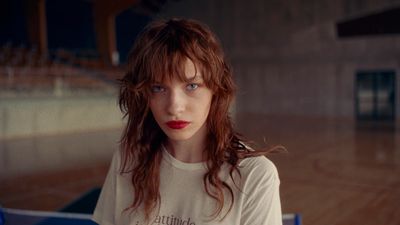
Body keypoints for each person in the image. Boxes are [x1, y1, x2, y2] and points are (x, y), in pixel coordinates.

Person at [93, 18, 283, 225]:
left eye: (191, 86)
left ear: (215, 89)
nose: (175, 107)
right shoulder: (129, 158)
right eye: (158, 88)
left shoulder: (255, 176)